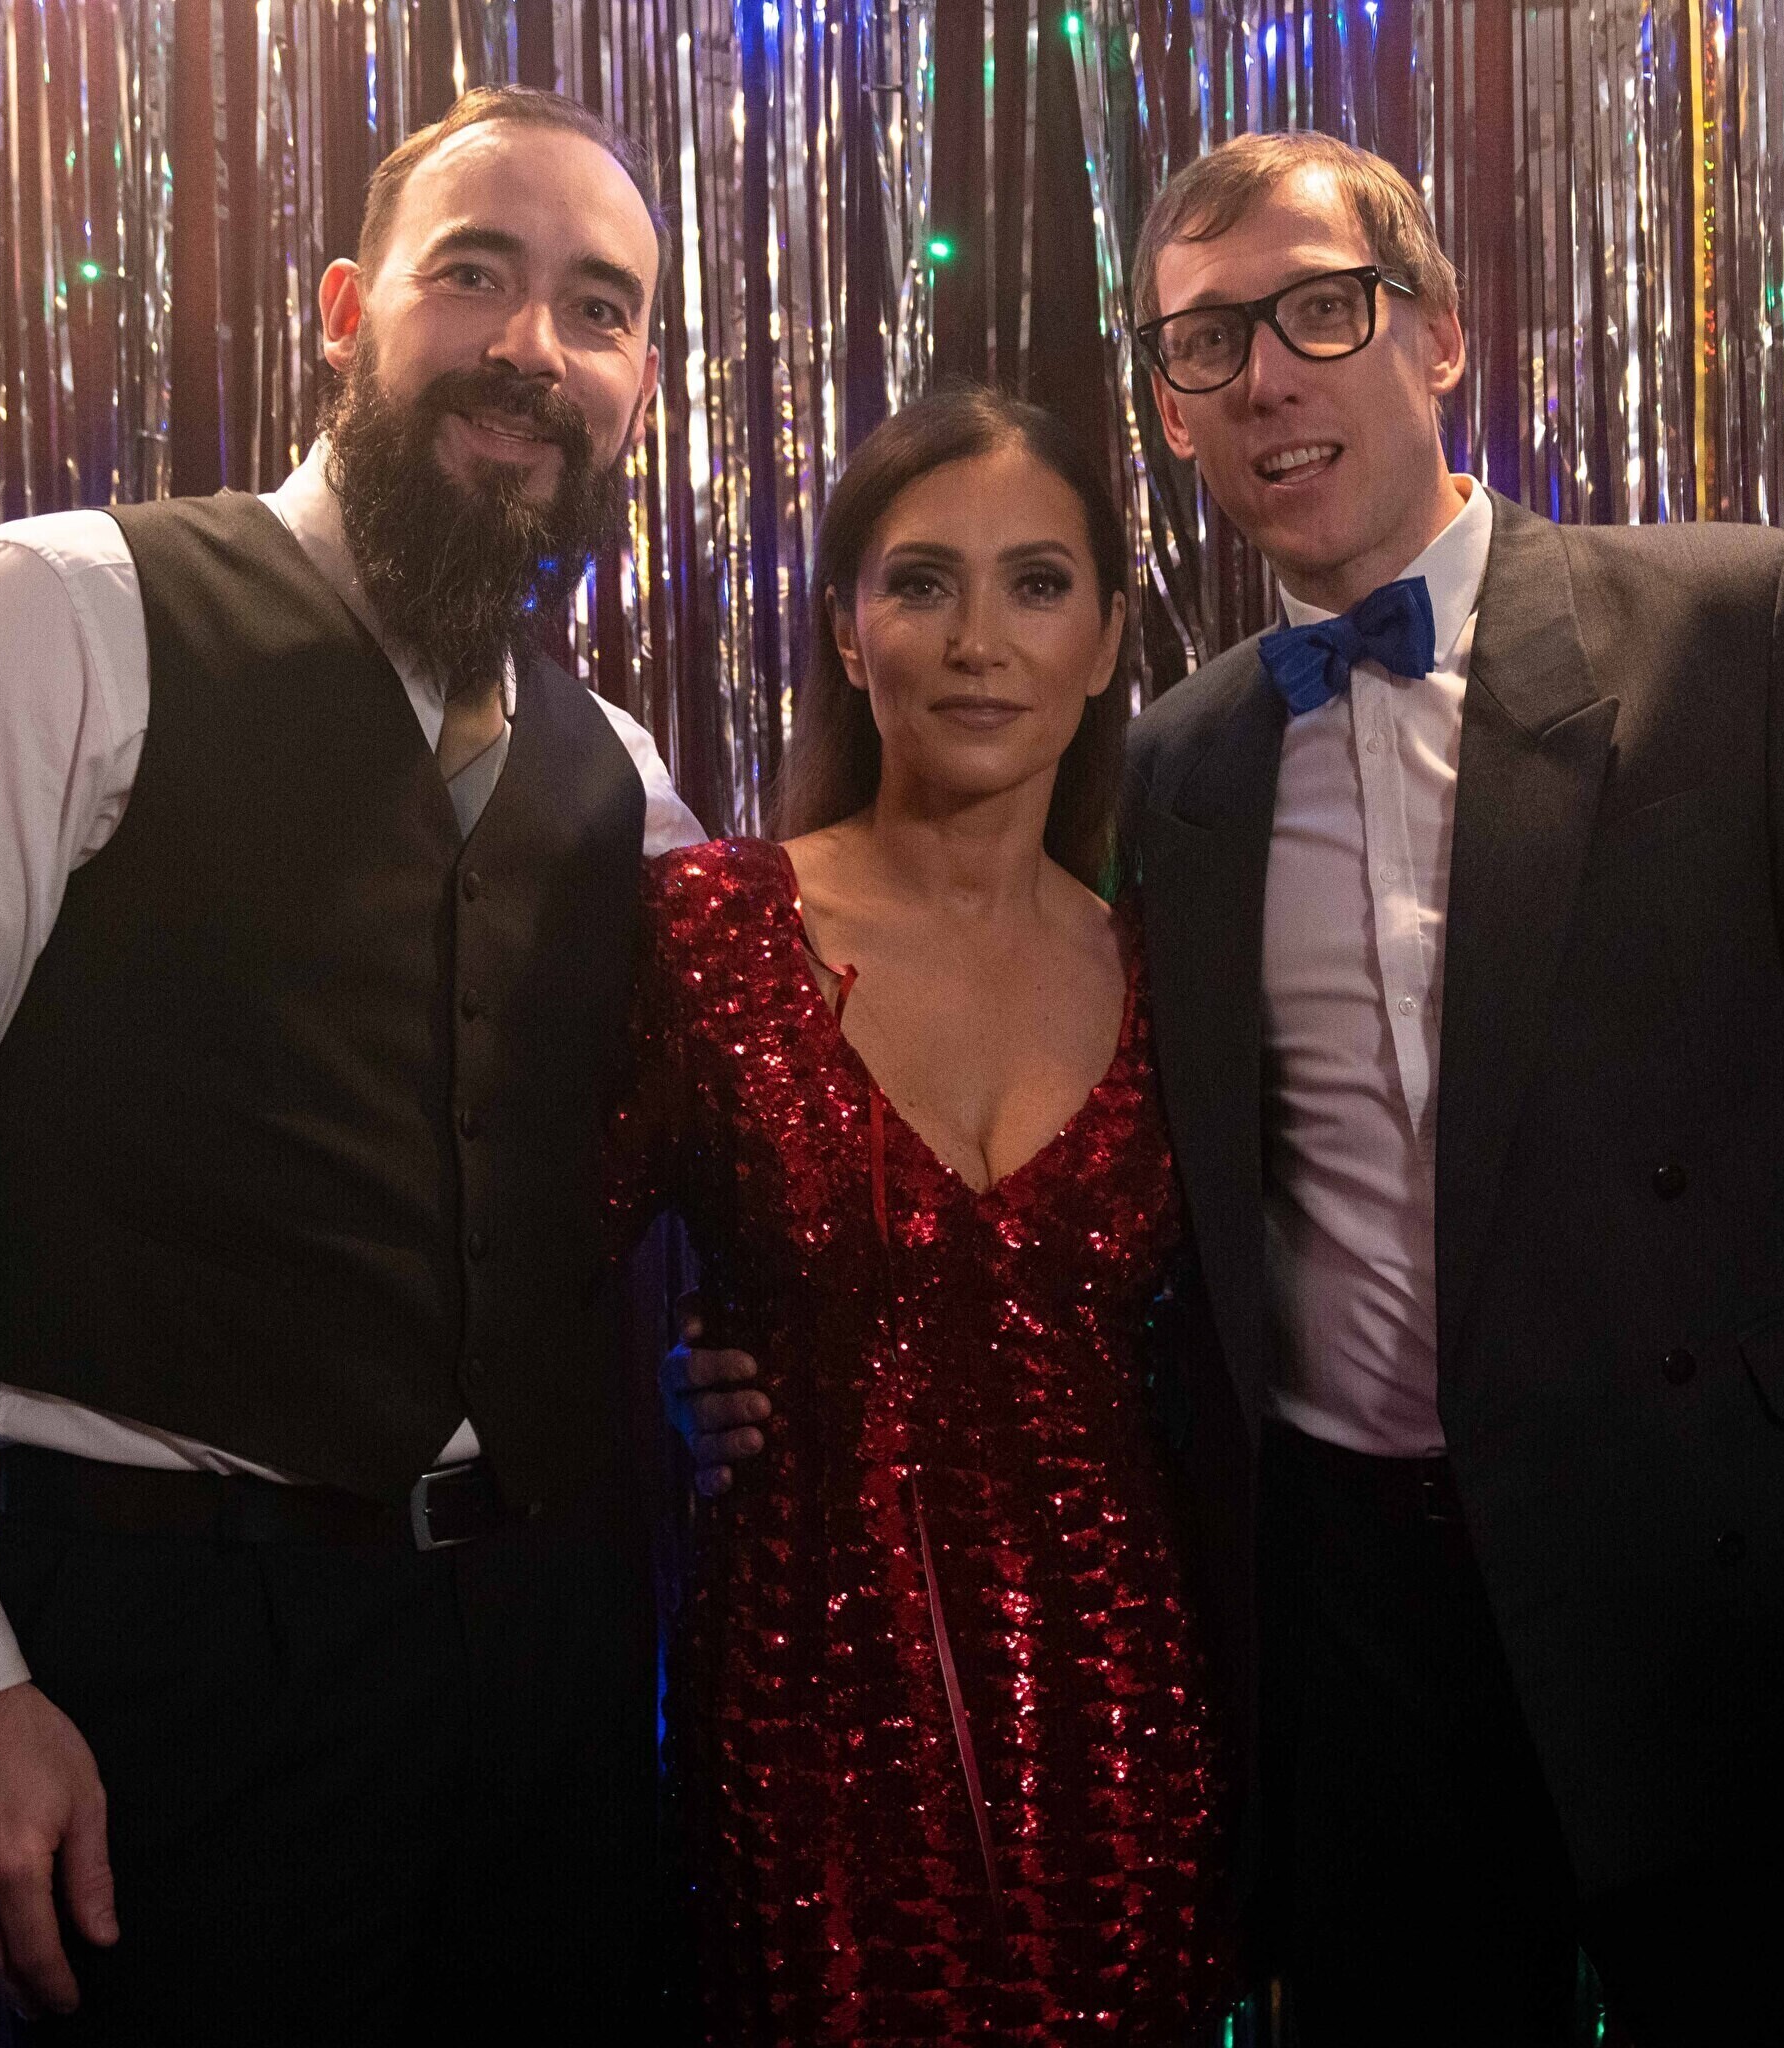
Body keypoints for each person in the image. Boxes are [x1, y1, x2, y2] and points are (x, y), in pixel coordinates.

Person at [680, 132, 1784, 2047]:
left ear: (1438, 336)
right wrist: (721, 1358)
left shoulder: (1734, 627)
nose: (1265, 375)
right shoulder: (1174, 767)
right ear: (1173, 415)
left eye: (1318, 312)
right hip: (1356, 1635)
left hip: (1722, 1604)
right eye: (1206, 342)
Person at [0, 87, 717, 2038]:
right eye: (474, 274)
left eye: (598, 308)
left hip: (555, 1666)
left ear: (637, 385)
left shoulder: (624, 778)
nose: (533, 345)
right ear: (344, 313)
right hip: (181, 1661)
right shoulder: (60, 615)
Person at [614, 386, 1234, 2042]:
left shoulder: (1178, 973)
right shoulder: (706, 929)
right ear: (847, 628)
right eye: (922, 583)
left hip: (1127, 1737)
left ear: (1106, 641)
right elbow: (508, 1273)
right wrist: (665, 1388)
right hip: (802, 1743)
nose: (978, 641)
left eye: (1037, 584)